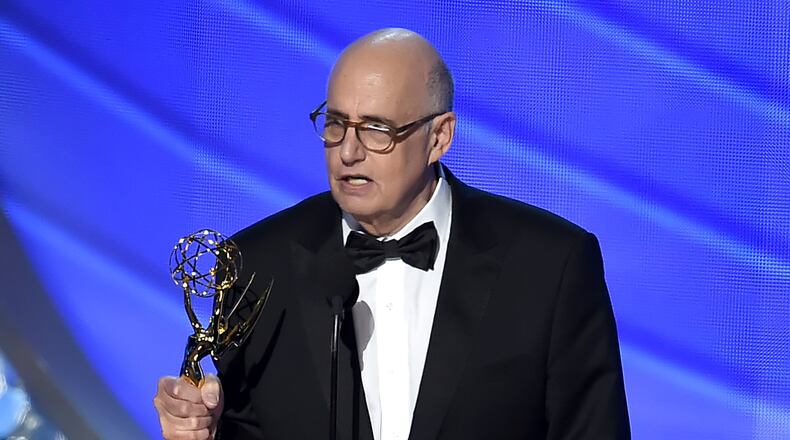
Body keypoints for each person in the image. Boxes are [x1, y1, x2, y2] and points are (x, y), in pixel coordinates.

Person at [153, 28, 630, 440]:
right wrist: (206, 431)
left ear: (439, 137)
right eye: (336, 125)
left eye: (378, 129)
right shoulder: (256, 265)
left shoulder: (550, 265)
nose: (349, 152)